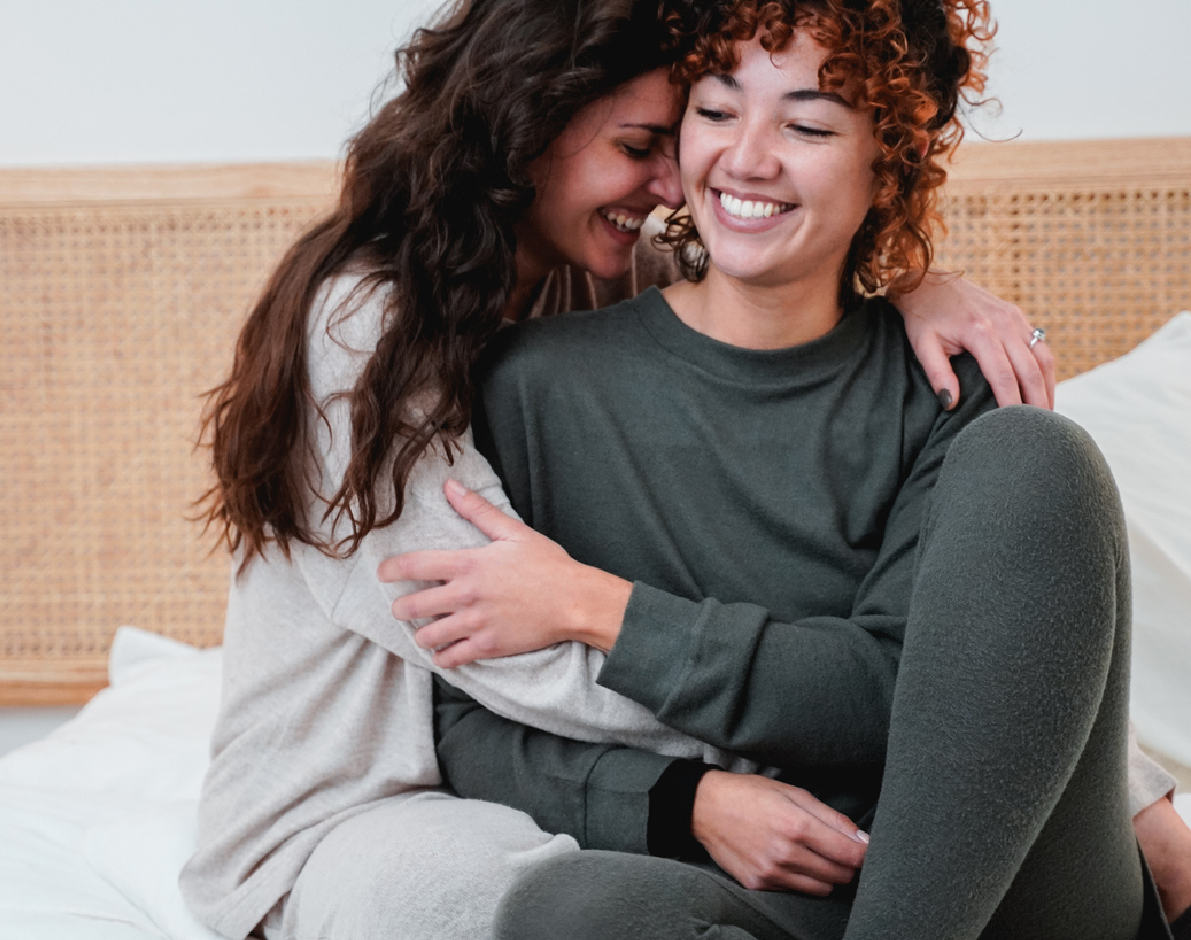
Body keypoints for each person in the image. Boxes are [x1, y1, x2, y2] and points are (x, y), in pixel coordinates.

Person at [181, 0, 1184, 938]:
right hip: (373, 806)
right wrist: (690, 799)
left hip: (957, 870)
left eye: (811, 124)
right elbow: (484, 671)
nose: (690, 179)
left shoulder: (886, 357)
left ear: (893, 162)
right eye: (675, 130)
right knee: (568, 904)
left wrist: (921, 286)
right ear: (530, 125)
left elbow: (989, 664)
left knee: (1034, 455)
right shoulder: (407, 342)